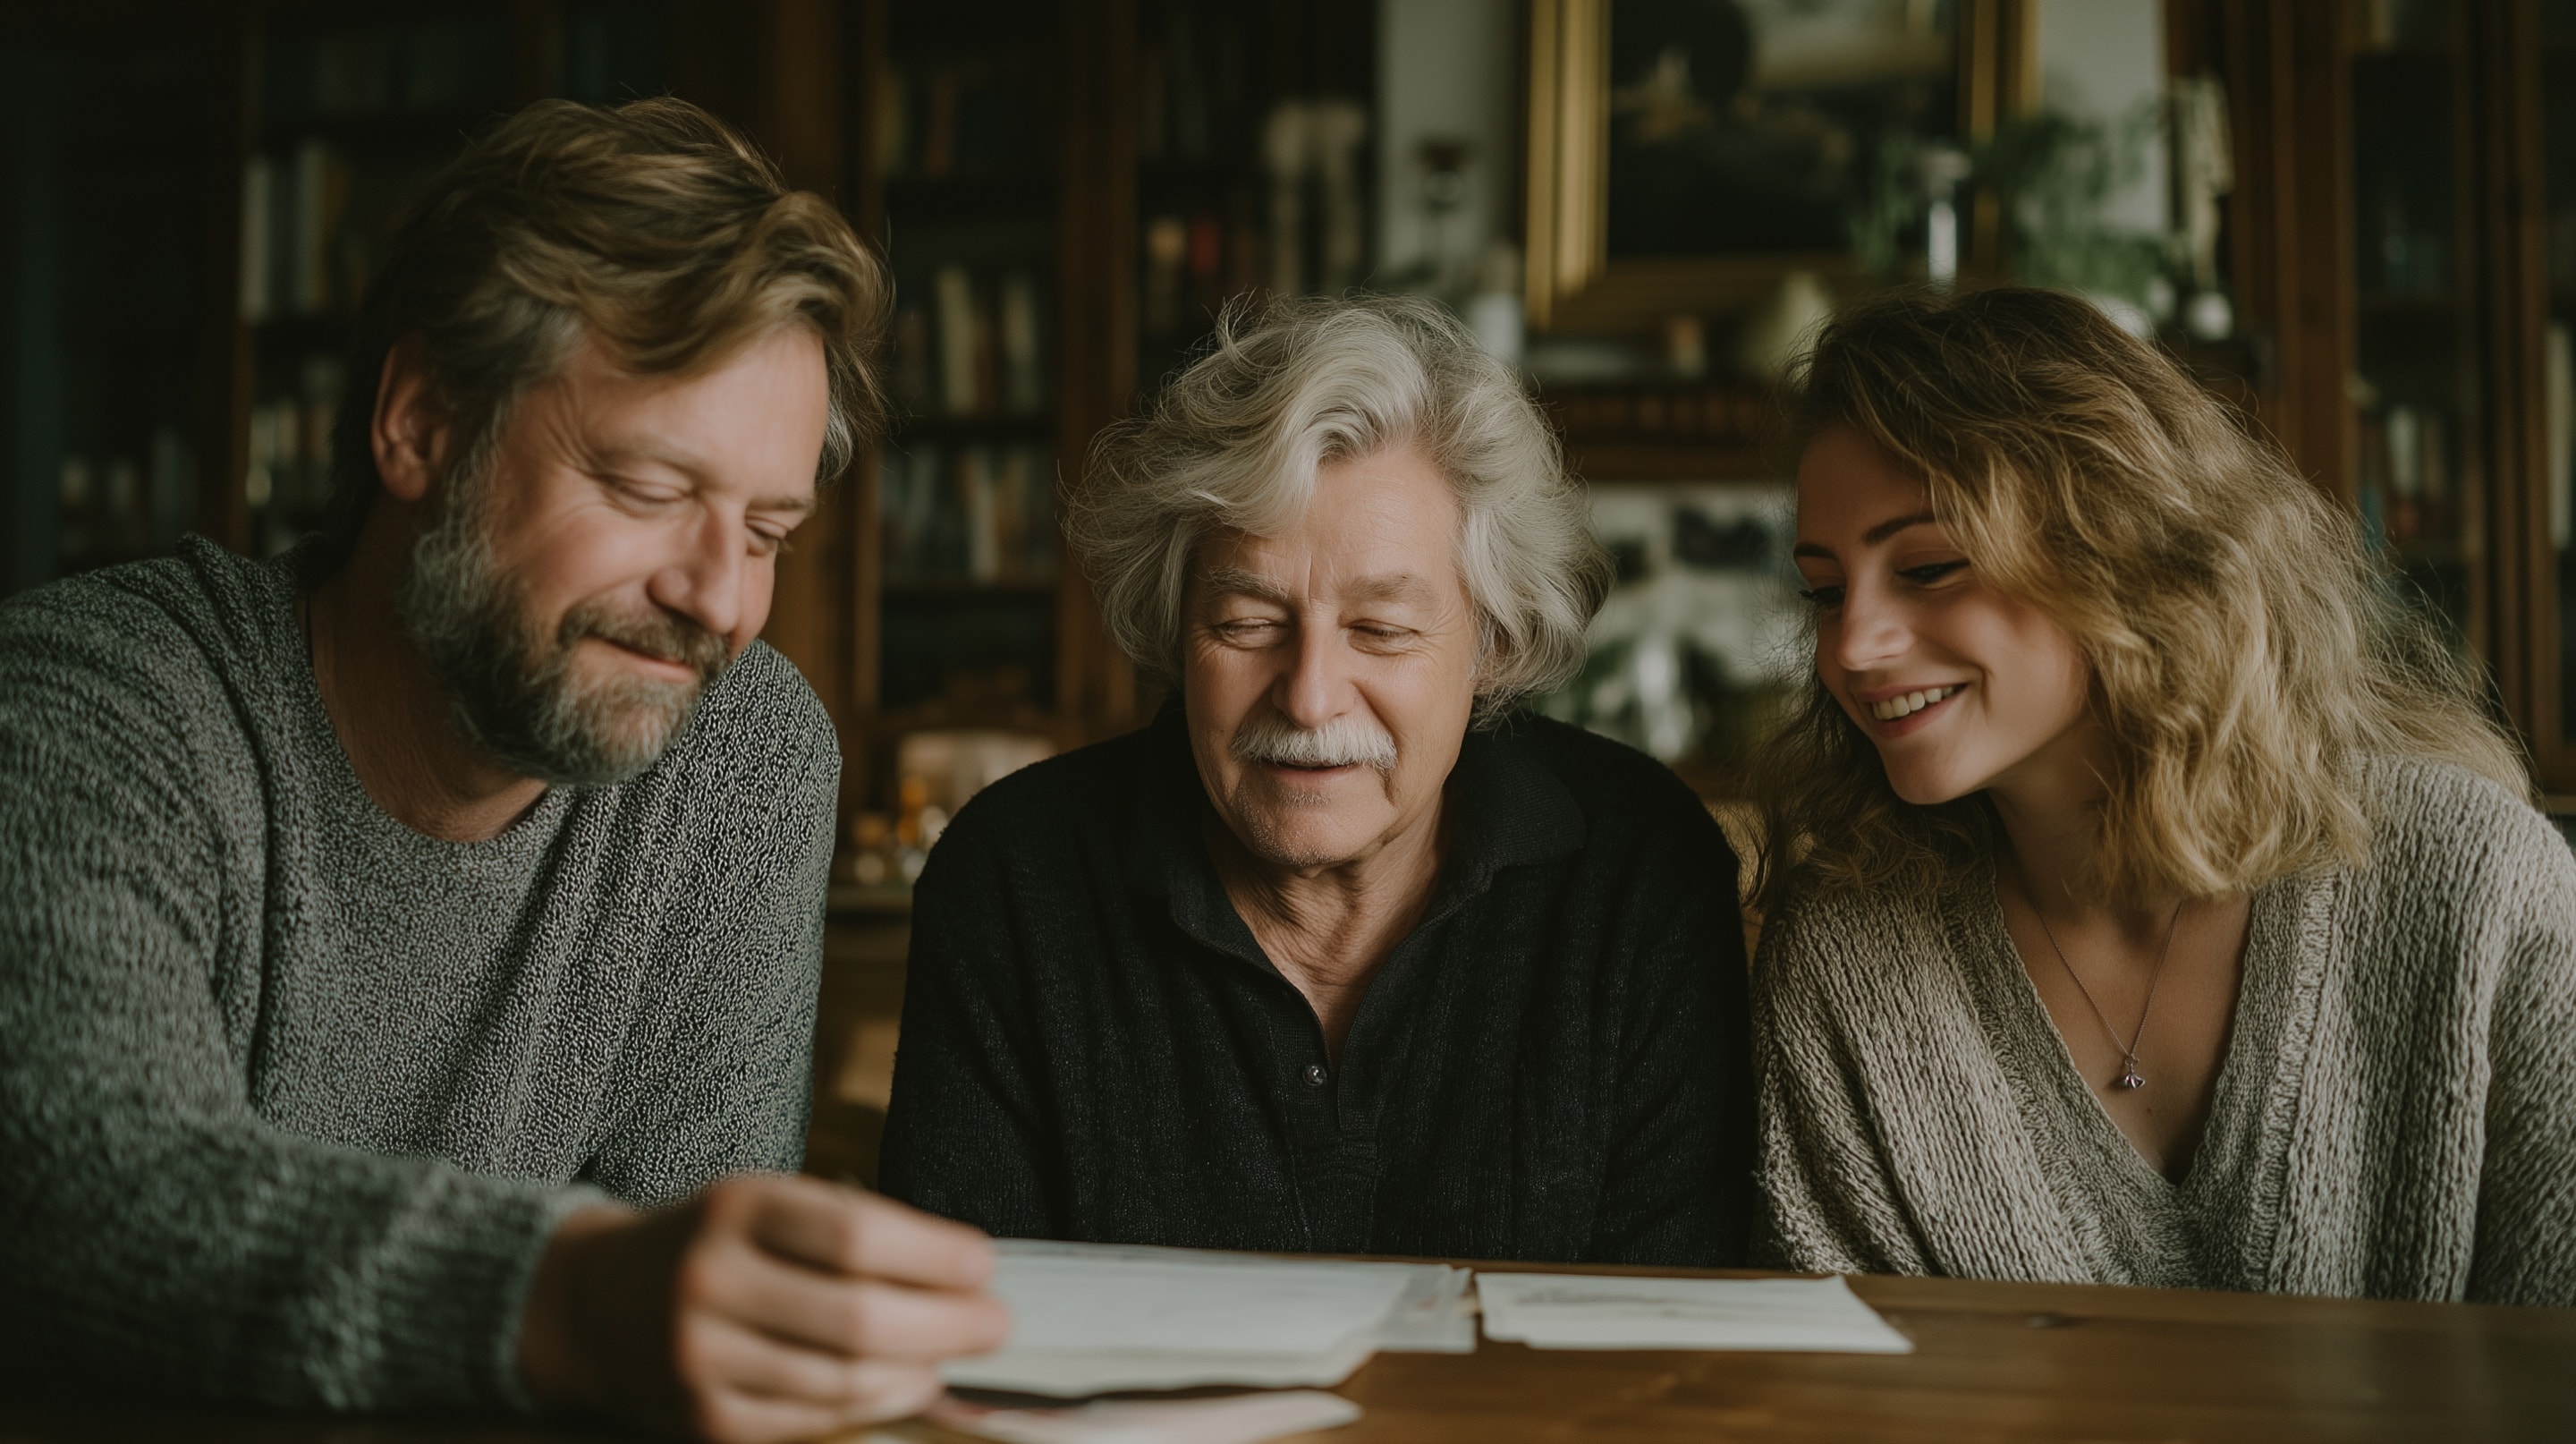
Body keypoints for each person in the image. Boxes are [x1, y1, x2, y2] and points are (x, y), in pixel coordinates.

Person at [0, 98, 1006, 1439]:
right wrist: (564, 1295)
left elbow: (688, 1340)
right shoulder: (94, 704)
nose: (720, 599)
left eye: (767, 529)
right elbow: (88, 1196)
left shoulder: (743, 756)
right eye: (651, 488)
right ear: (418, 421)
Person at [879, 295, 1755, 1265]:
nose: (1307, 698)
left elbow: (1677, 1357)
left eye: (1380, 630)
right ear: (1177, 626)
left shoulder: (1642, 875)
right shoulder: (1015, 879)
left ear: (1494, 643)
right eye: (1248, 624)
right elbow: (958, 1336)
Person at [1752, 285, 2576, 1305]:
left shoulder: (2477, 880)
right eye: (1827, 590)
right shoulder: (1843, 955)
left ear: (2123, 554)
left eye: (1927, 567)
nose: (1851, 645)